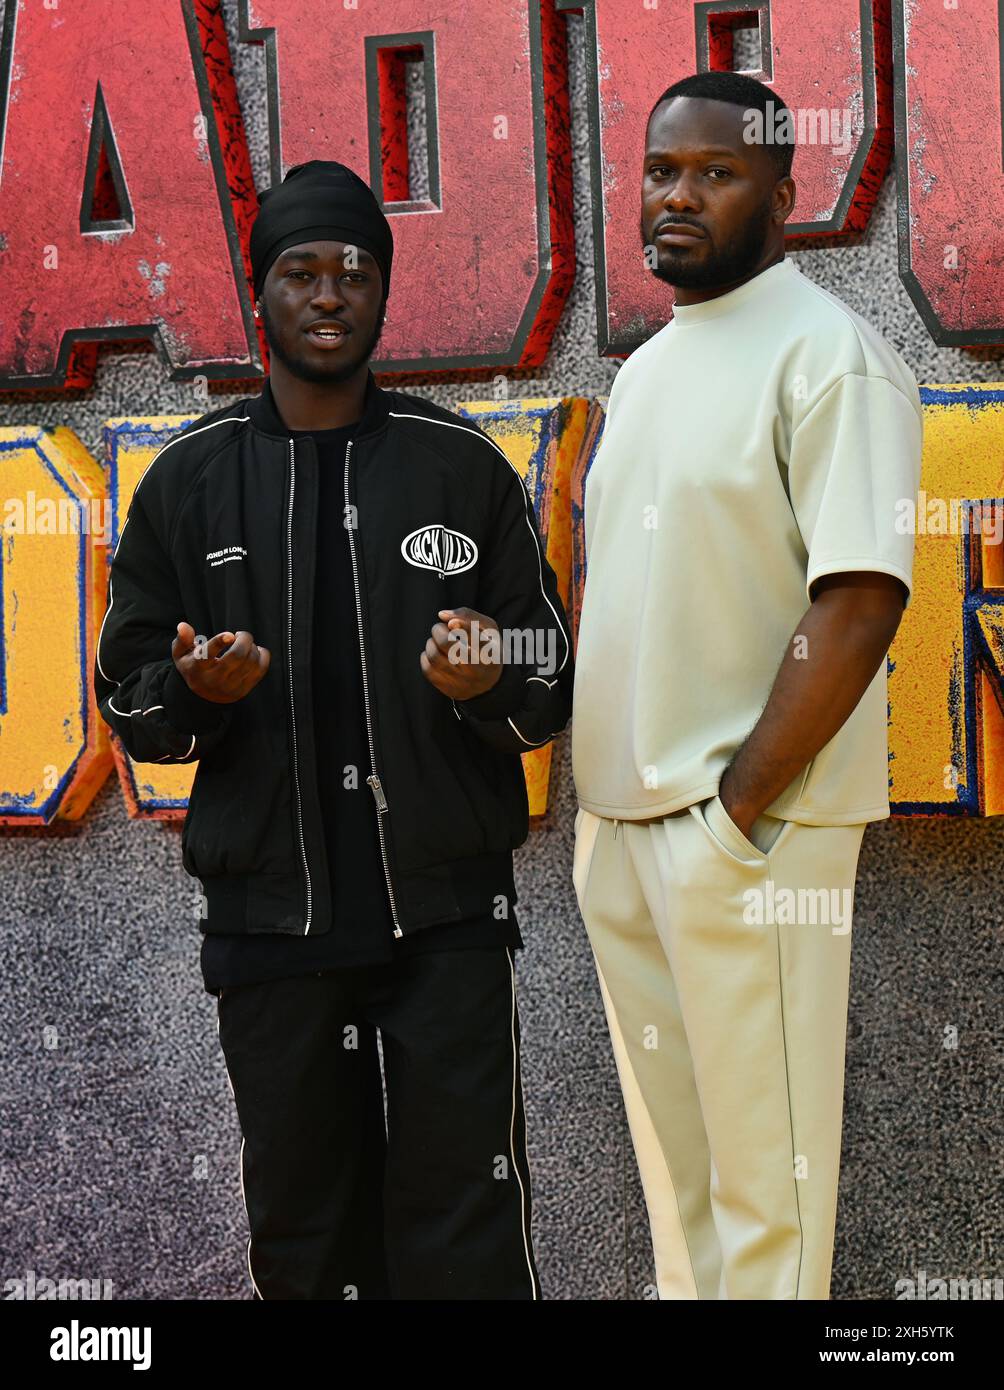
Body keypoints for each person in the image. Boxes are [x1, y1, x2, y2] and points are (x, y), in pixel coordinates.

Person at [94, 160, 573, 1300]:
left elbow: (546, 670)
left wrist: (480, 673)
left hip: (447, 924)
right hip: (274, 930)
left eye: (351, 271)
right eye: (299, 271)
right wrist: (196, 691)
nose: (326, 293)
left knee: (468, 1234)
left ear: (382, 291)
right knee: (307, 1242)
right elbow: (125, 695)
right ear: (259, 294)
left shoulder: (458, 466)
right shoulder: (188, 483)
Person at [571, 71, 923, 1300]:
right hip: (621, 832)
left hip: (745, 835)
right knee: (680, 1192)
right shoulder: (646, 369)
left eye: (713, 173)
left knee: (765, 1204)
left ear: (783, 193)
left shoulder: (834, 356)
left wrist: (735, 815)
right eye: (661, 171)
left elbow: (862, 595)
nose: (676, 196)